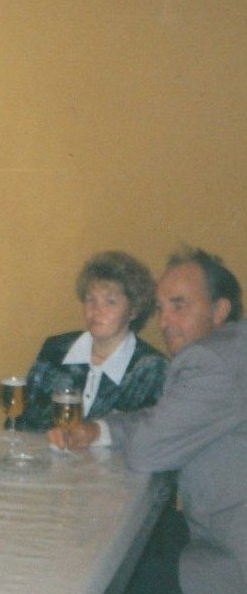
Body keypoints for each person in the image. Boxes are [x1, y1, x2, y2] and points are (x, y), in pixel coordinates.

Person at [60, 248, 245, 594]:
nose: (164, 321)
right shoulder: (231, 349)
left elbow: (147, 450)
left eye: (179, 305)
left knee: (99, 566)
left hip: (227, 558)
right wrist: (100, 429)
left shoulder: (212, 362)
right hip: (210, 529)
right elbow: (164, 417)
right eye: (161, 308)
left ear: (219, 310)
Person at [16, 251, 167, 432]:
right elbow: (21, 422)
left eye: (110, 302)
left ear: (133, 310)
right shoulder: (55, 350)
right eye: (90, 299)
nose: (96, 310)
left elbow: (149, 437)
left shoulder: (152, 368)